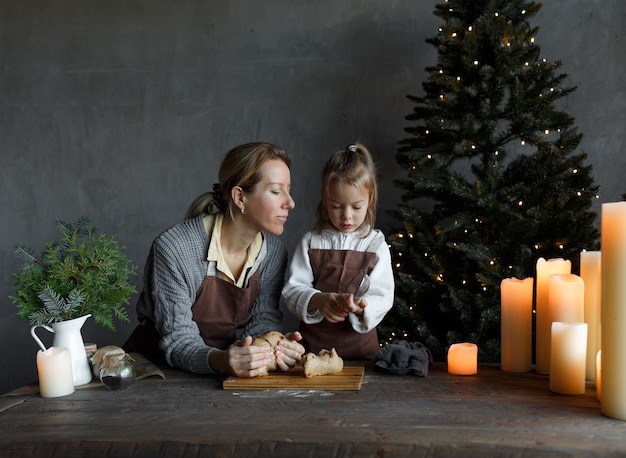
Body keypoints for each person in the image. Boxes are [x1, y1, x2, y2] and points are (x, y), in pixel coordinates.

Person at [124, 142, 305, 377]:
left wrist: (275, 345)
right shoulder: (175, 249)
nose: (290, 202)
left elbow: (262, 318)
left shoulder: (273, 252)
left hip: (217, 378)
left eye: (288, 190)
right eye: (276, 191)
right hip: (154, 376)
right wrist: (223, 360)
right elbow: (178, 339)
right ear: (240, 197)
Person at [281, 143, 395, 360]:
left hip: (361, 352)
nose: (346, 216)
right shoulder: (311, 242)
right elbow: (293, 289)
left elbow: (383, 295)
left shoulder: (375, 245)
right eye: (336, 206)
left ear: (369, 200)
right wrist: (318, 300)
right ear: (325, 199)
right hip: (313, 349)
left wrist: (362, 307)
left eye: (356, 207)